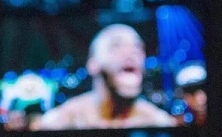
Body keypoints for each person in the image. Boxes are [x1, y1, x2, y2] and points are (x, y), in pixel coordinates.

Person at [33, 24, 178, 130]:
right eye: (116, 45)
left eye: (137, 47)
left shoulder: (159, 123)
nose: (131, 52)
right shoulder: (61, 121)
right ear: (92, 63)